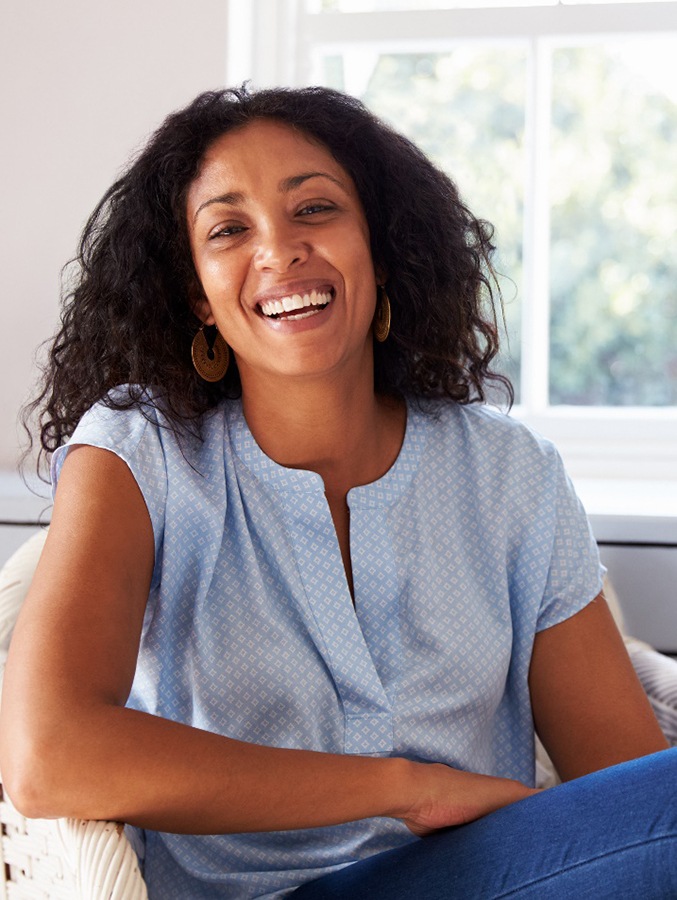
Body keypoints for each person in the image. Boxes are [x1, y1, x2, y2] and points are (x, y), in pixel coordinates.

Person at [0, 85, 675, 899]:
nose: (280, 251)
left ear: (380, 248)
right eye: (228, 229)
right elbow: (47, 757)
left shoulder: (508, 473)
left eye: (314, 210)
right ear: (195, 293)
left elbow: (631, 789)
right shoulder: (141, 454)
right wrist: (404, 787)